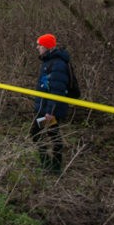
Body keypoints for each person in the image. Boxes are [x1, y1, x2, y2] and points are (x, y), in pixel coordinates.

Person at [31, 33, 71, 172]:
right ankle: (50, 165)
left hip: (49, 111)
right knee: (50, 134)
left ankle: (52, 165)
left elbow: (57, 90)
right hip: (45, 108)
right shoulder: (48, 61)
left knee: (37, 133)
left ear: (47, 47)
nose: (37, 47)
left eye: (40, 45)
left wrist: (50, 112)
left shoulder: (58, 64)